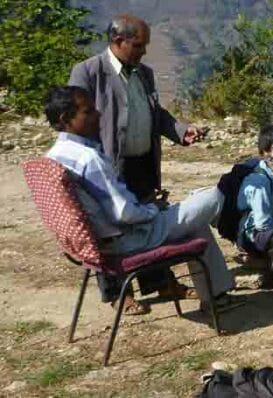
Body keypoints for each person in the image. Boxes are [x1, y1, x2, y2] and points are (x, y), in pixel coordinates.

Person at [43, 86, 234, 314]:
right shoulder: (88, 159)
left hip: (103, 241)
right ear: (67, 119)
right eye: (88, 111)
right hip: (131, 239)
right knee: (213, 196)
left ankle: (216, 296)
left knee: (195, 220)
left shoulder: (54, 155)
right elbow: (123, 213)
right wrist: (152, 210)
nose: (98, 114)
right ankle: (244, 246)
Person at [68, 15, 205, 199]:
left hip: (143, 167)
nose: (144, 52)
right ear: (118, 42)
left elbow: (154, 112)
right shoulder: (88, 73)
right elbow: (74, 122)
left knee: (146, 219)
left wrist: (181, 131)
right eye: (138, 45)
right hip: (107, 168)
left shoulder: (144, 74)